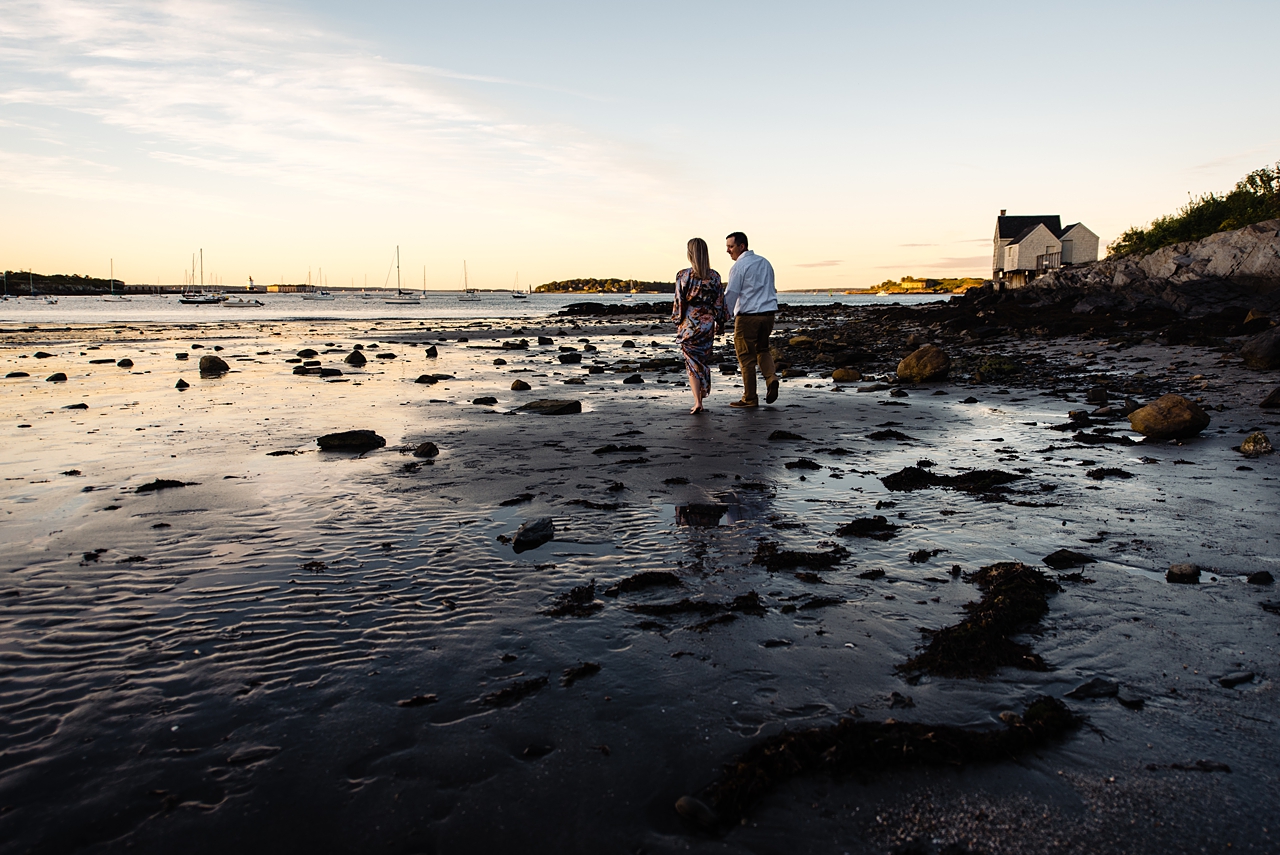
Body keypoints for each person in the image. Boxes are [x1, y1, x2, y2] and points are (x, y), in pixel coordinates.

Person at [671, 237, 728, 414]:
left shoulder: (683, 275)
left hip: (689, 324)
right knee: (701, 361)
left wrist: (677, 320)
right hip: (707, 324)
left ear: (690, 254)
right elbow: (719, 302)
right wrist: (721, 321)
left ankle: (698, 401)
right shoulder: (715, 276)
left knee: (691, 363)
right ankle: (702, 391)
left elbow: (679, 301)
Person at [723, 231, 778, 408]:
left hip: (748, 317)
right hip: (768, 314)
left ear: (742, 246)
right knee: (763, 349)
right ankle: (771, 379)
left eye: (730, 247)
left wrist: (723, 317)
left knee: (746, 357)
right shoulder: (765, 262)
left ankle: (750, 398)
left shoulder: (739, 266)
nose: (728, 251)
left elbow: (731, 293)